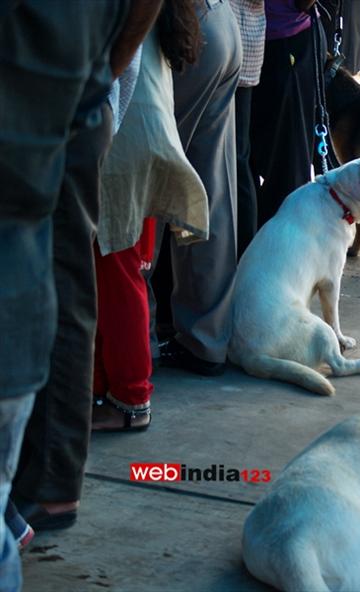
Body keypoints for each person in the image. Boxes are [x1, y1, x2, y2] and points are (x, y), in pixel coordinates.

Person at [0, 1, 160, 586]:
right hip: (76, 93)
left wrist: (99, 74)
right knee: (68, 274)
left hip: (62, 99)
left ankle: (49, 481)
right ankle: (46, 480)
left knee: (69, 274)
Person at [93, 1, 211, 431]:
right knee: (123, 274)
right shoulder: (161, 16)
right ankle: (113, 390)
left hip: (121, 144)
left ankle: (129, 399)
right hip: (143, 141)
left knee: (116, 275)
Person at [155, 0, 242, 377]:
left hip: (183, 27)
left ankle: (132, 351)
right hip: (219, 22)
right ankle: (206, 340)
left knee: (144, 185)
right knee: (210, 190)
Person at [249, 0, 322, 227]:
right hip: (253, 40)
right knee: (245, 158)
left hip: (286, 40)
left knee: (287, 167)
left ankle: (281, 250)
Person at [229, 0, 266, 257]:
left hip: (236, 43)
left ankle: (243, 255)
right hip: (243, 44)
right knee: (239, 161)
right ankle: (244, 254)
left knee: (236, 161)